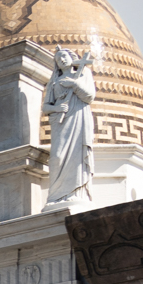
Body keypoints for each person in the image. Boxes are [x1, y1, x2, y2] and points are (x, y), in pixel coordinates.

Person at [43, 46, 97, 204]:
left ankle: (76, 192)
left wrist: (74, 85)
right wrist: (56, 108)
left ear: (72, 57)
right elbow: (45, 107)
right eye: (58, 59)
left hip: (79, 116)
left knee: (77, 155)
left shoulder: (83, 73)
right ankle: (56, 195)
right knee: (57, 156)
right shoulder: (54, 82)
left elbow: (89, 97)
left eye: (64, 56)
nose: (61, 60)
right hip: (61, 121)